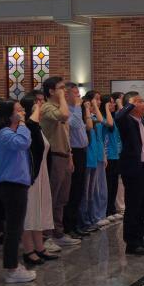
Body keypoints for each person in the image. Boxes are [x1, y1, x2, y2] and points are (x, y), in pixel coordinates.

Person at [0, 100, 37, 284]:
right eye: (18, 110)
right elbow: (23, 143)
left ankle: (13, 264)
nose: (22, 112)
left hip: (16, 183)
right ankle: (11, 268)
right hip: (11, 184)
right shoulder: (4, 133)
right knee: (14, 228)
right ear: (9, 114)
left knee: (16, 226)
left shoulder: (8, 132)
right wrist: (22, 123)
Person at [114, 91, 144, 255]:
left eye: (142, 101)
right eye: (138, 101)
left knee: (143, 206)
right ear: (129, 105)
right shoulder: (126, 121)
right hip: (134, 169)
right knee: (133, 206)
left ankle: (140, 238)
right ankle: (131, 243)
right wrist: (130, 104)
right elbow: (118, 117)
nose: (142, 104)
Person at [39, 77, 80, 249]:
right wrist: (63, 97)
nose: (64, 91)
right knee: (52, 197)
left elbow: (66, 135)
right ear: (51, 91)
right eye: (61, 88)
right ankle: (46, 236)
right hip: (53, 156)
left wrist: (70, 156)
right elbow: (63, 115)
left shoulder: (60, 107)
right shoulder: (47, 107)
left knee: (62, 198)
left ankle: (58, 233)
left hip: (64, 156)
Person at [20, 93, 59, 266]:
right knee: (30, 212)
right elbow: (31, 128)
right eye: (38, 103)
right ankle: (28, 250)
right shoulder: (28, 126)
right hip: (31, 175)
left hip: (41, 173)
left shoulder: (37, 126)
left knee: (39, 211)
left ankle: (39, 247)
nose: (42, 105)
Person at [64, 82, 90, 239]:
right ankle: (69, 226)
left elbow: (84, 127)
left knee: (79, 189)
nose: (79, 96)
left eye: (79, 93)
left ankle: (76, 223)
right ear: (66, 94)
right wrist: (79, 107)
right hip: (73, 151)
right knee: (72, 190)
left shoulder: (76, 109)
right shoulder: (67, 109)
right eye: (75, 93)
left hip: (82, 151)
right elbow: (73, 124)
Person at [82, 91, 110, 230]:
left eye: (99, 100)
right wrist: (91, 105)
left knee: (100, 188)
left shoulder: (96, 116)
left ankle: (99, 215)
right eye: (96, 99)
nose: (99, 102)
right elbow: (97, 122)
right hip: (90, 155)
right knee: (91, 190)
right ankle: (92, 217)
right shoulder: (86, 116)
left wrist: (104, 155)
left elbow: (105, 123)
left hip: (99, 154)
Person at [105, 92, 125, 221]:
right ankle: (107, 210)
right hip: (109, 154)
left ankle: (112, 208)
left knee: (114, 183)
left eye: (113, 102)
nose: (113, 105)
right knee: (109, 183)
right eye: (110, 103)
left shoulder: (115, 117)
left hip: (117, 153)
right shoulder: (105, 118)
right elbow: (110, 126)